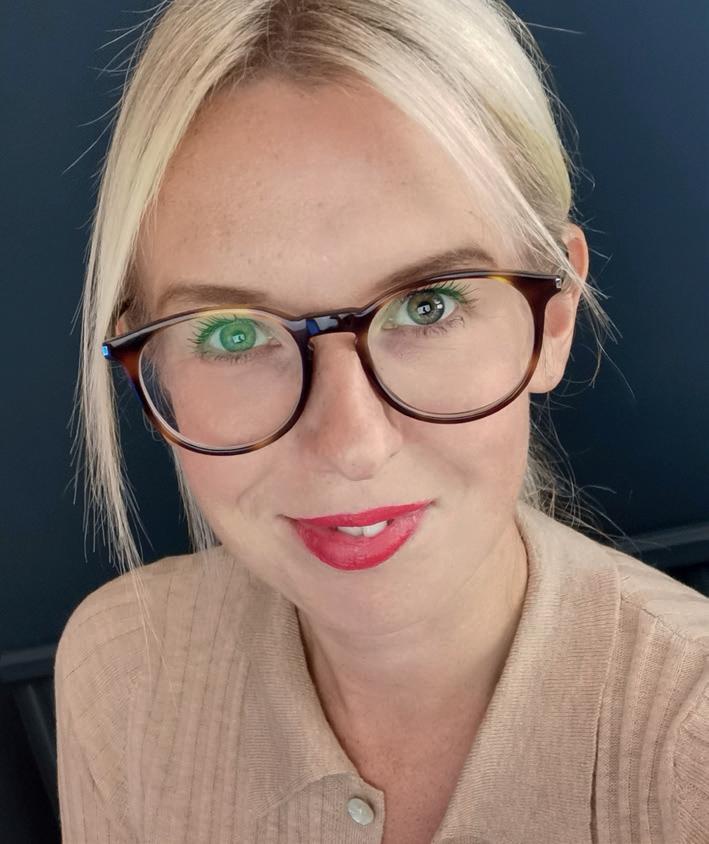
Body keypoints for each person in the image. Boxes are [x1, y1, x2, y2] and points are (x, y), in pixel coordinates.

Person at [54, 1, 709, 842]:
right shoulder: (122, 671)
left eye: (427, 305)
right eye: (233, 334)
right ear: (152, 369)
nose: (351, 445)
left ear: (554, 319)